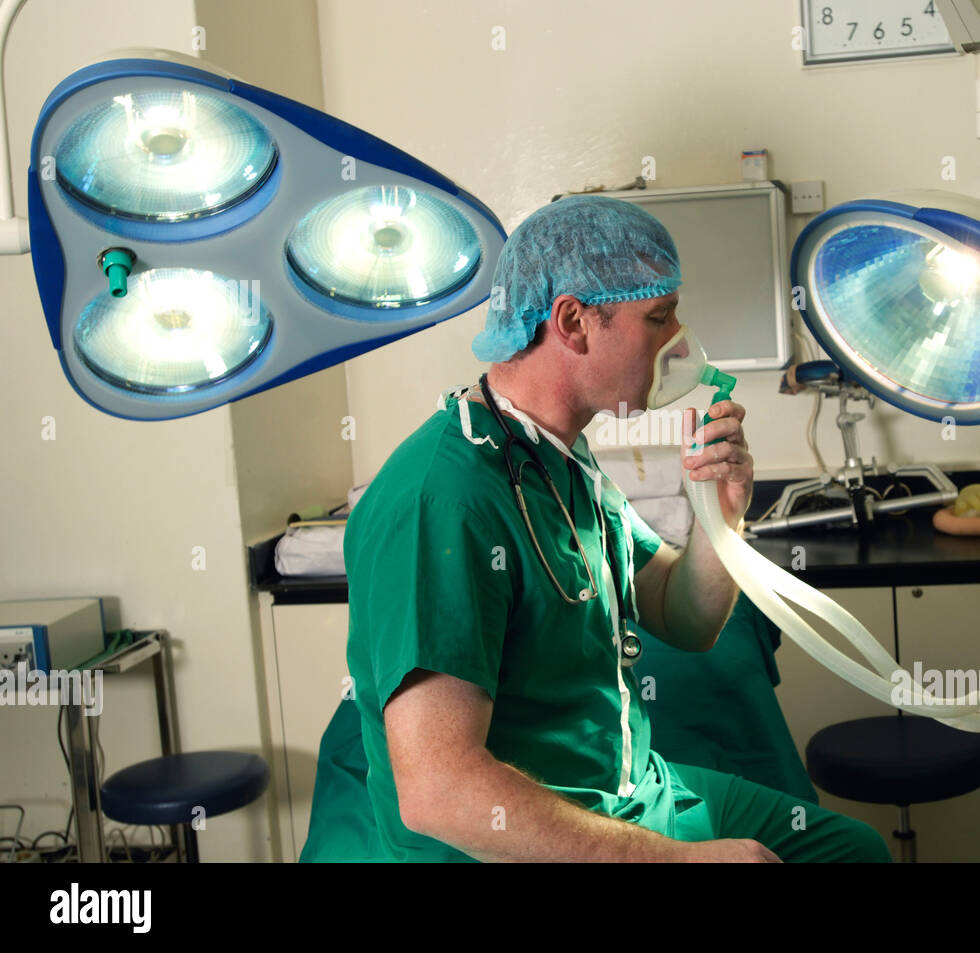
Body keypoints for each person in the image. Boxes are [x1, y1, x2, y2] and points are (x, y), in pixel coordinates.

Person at [342, 194, 891, 862]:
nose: (680, 343)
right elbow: (440, 791)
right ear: (572, 321)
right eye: (658, 317)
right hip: (518, 840)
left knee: (849, 851)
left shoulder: (556, 460)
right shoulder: (444, 498)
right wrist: (679, 860)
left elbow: (684, 616)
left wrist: (721, 514)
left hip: (627, 794)